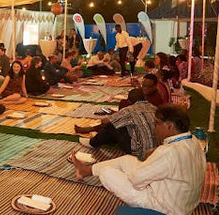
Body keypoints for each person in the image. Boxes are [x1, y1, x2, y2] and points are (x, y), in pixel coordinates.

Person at [72, 105, 206, 215]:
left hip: (165, 207)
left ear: (170, 126)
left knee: (107, 173)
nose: (154, 127)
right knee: (126, 160)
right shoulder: (193, 141)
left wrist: (144, 169)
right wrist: (149, 165)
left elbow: (136, 181)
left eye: (157, 123)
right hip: (184, 203)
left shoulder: (167, 153)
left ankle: (92, 171)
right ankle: (86, 170)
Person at [77, 89, 157, 161]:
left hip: (139, 151)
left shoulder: (129, 110)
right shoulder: (154, 108)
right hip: (156, 150)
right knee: (123, 124)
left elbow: (105, 122)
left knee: (112, 126)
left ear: (129, 101)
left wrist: (116, 116)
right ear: (145, 98)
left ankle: (92, 143)